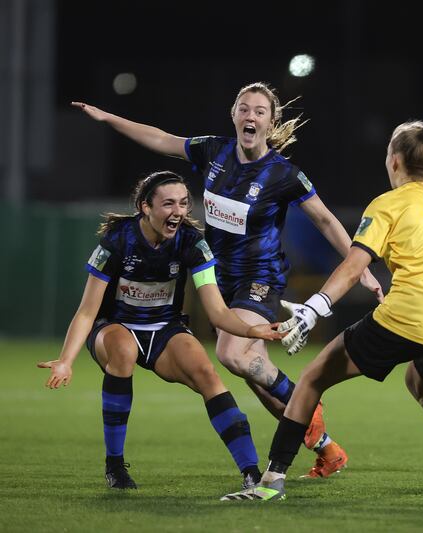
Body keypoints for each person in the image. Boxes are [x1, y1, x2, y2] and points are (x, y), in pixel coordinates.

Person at [72, 82, 385, 477]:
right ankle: (325, 446)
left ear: (271, 122)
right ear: (234, 115)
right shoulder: (214, 151)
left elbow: (324, 219)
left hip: (260, 280)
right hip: (217, 276)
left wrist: (362, 269)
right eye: (243, 108)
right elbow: (161, 138)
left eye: (259, 111)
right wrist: (107, 117)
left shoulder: (283, 174)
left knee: (233, 354)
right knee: (252, 368)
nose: (250, 116)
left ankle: (305, 399)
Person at [220, 120, 423, 502]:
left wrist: (313, 309)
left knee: (312, 379)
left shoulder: (389, 203)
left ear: (395, 161)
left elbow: (353, 265)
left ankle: (271, 481)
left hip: (409, 314)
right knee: (422, 384)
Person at [37, 171, 286, 491]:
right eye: (168, 204)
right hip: (114, 327)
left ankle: (251, 472)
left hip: (165, 330)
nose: (178, 211)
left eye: (183, 203)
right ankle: (115, 465)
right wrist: (65, 360)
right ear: (145, 207)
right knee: (124, 352)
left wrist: (254, 331)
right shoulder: (118, 240)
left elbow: (218, 311)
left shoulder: (192, 243)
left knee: (207, 374)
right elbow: (87, 311)